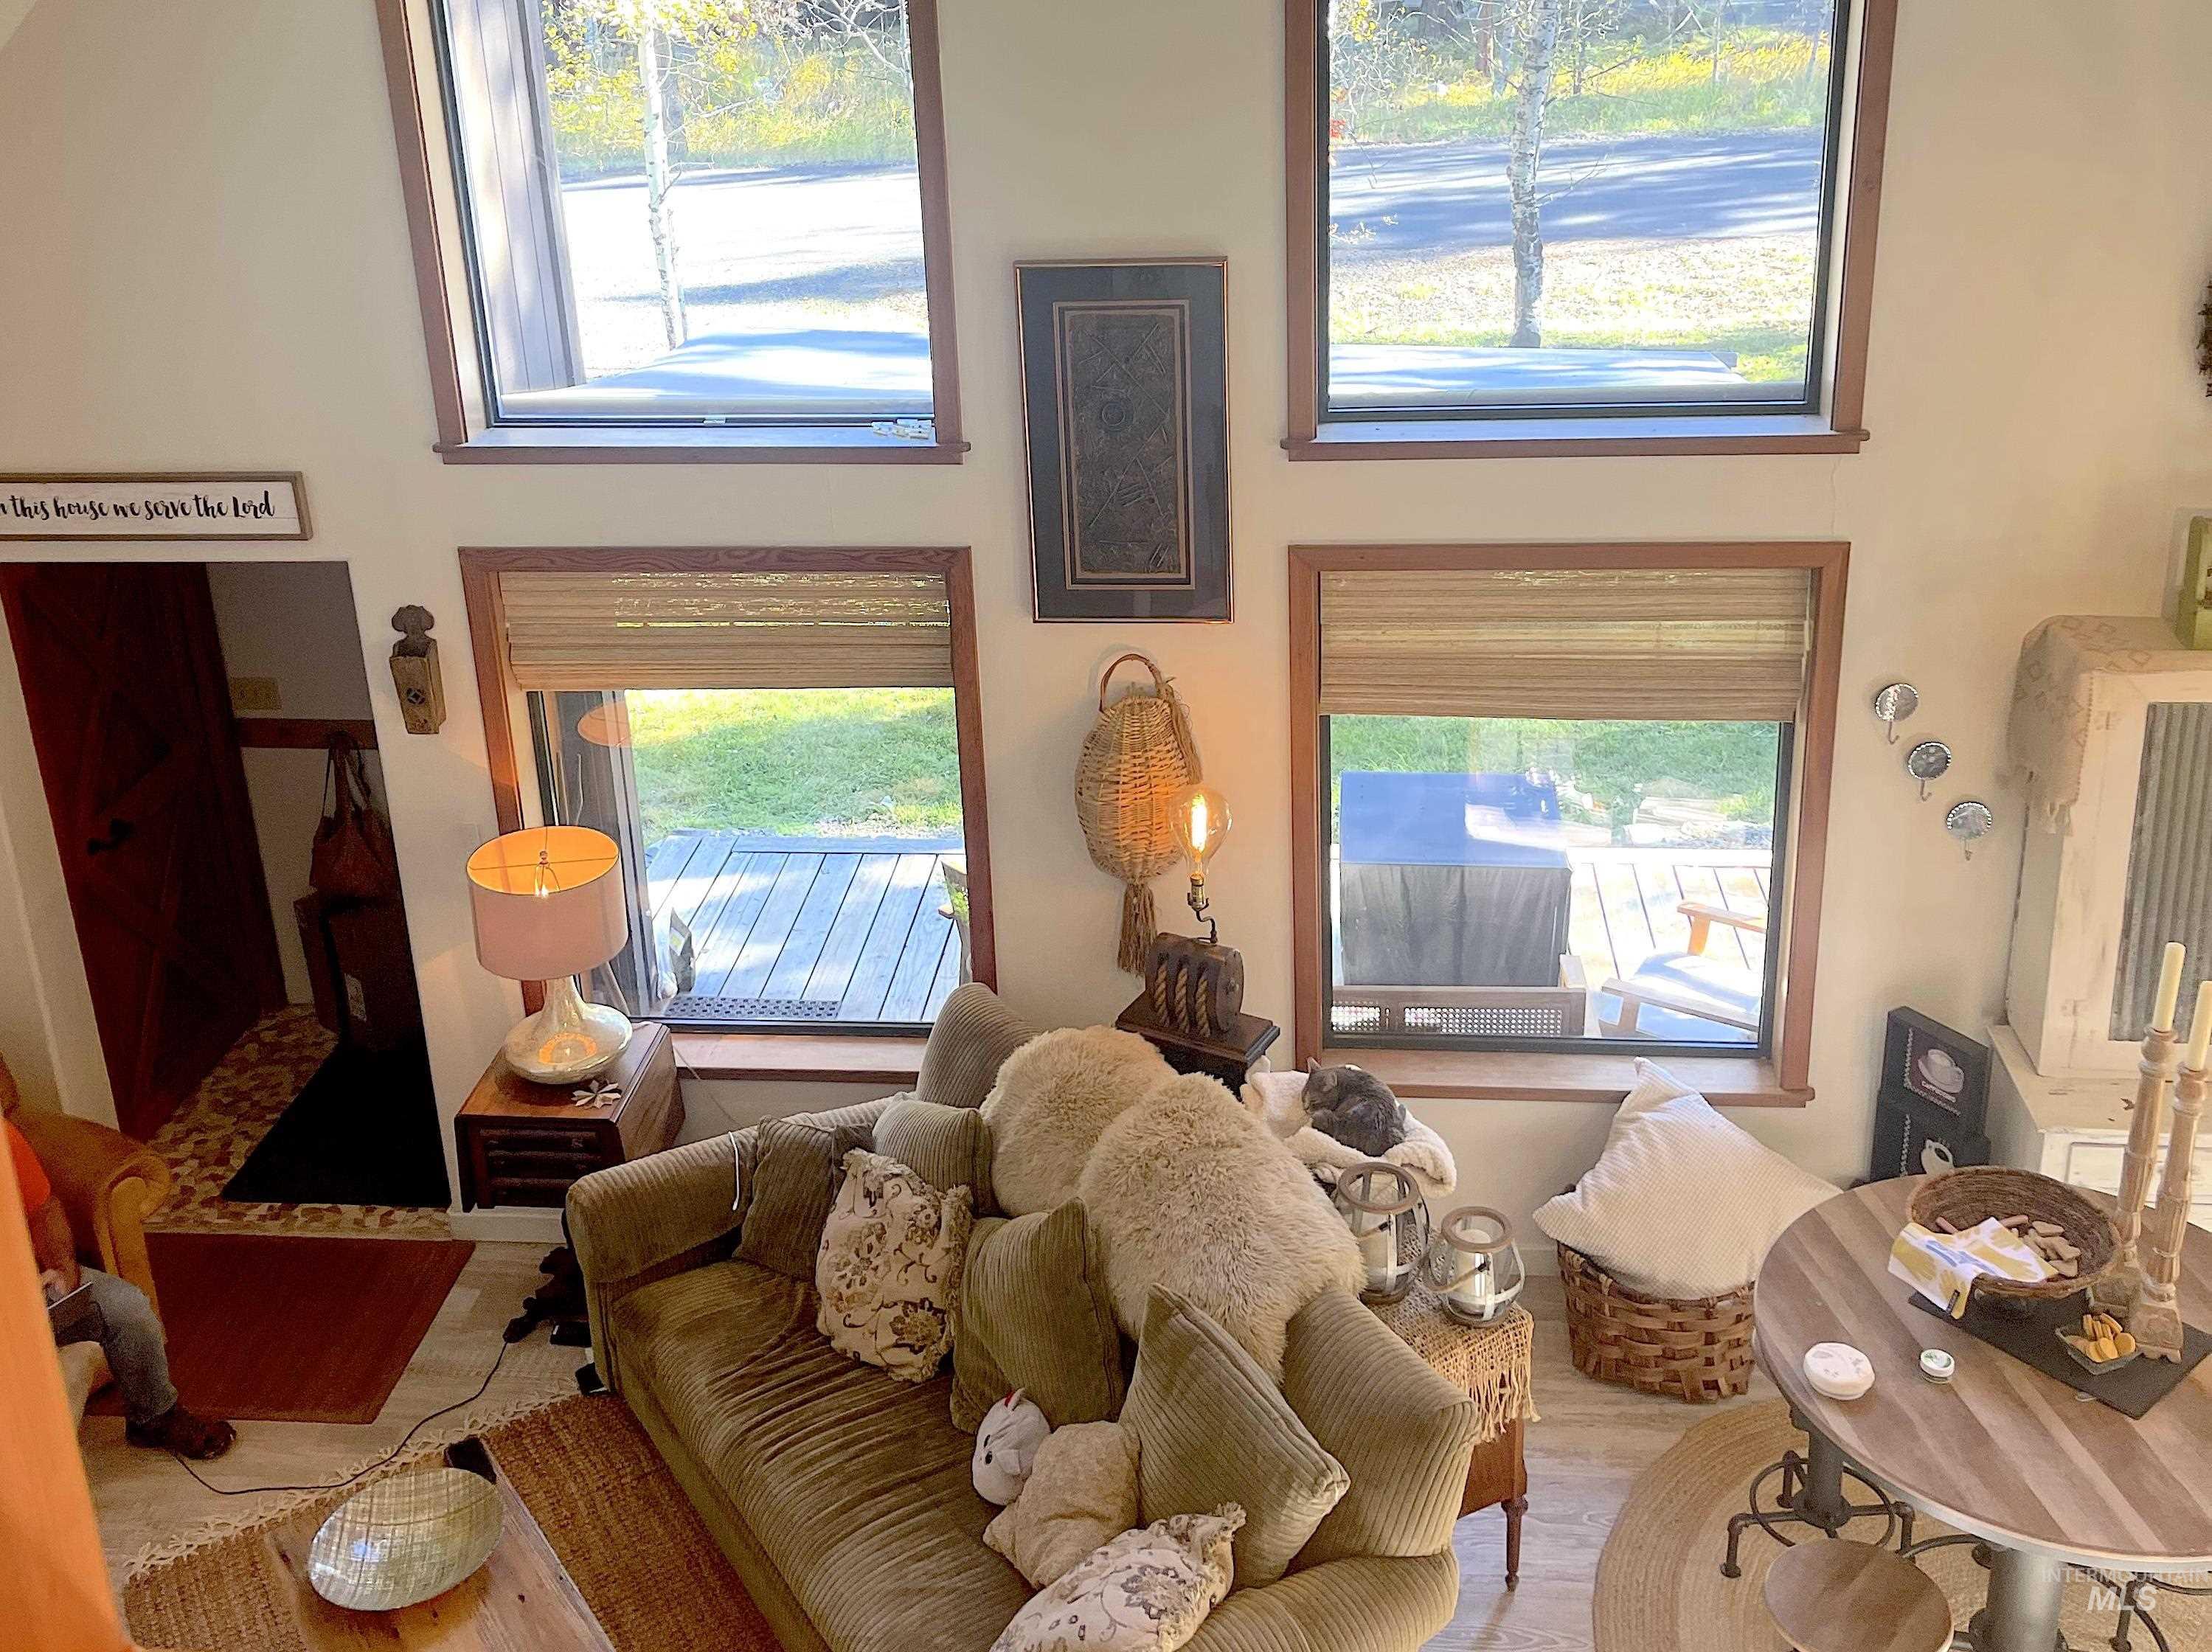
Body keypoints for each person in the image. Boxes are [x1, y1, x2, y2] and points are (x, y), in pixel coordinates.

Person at [9, 1116, 234, 1459]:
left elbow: (44, 1208)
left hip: (29, 1288)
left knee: (126, 1307)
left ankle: (154, 1416)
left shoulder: (4, 1137)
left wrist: (61, 1268)